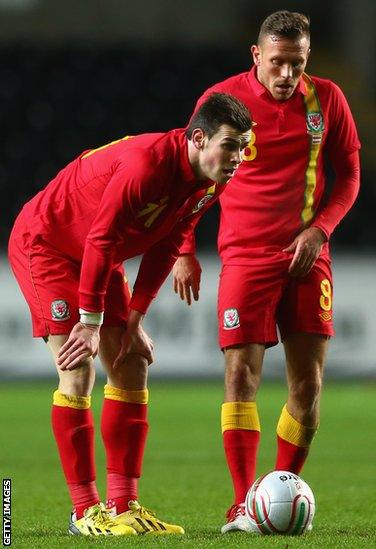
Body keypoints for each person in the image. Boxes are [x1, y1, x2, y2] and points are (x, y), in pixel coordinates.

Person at [8, 93, 252, 537]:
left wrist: (136, 318)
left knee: (132, 364)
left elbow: (169, 240)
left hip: (101, 253)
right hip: (48, 245)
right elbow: (100, 239)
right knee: (77, 366)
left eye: (244, 147)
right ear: (198, 138)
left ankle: (125, 505)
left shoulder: (212, 180)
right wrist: (91, 321)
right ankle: (84, 512)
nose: (239, 157)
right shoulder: (148, 165)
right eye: (232, 145)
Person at [173, 10, 360, 534]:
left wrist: (319, 230)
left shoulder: (328, 101)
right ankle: (241, 505)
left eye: (296, 64)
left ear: (307, 59)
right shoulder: (221, 102)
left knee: (308, 384)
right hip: (244, 257)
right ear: (256, 56)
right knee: (239, 378)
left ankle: (275, 493)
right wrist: (184, 247)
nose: (286, 75)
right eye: (277, 62)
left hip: (306, 256)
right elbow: (193, 172)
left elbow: (348, 176)